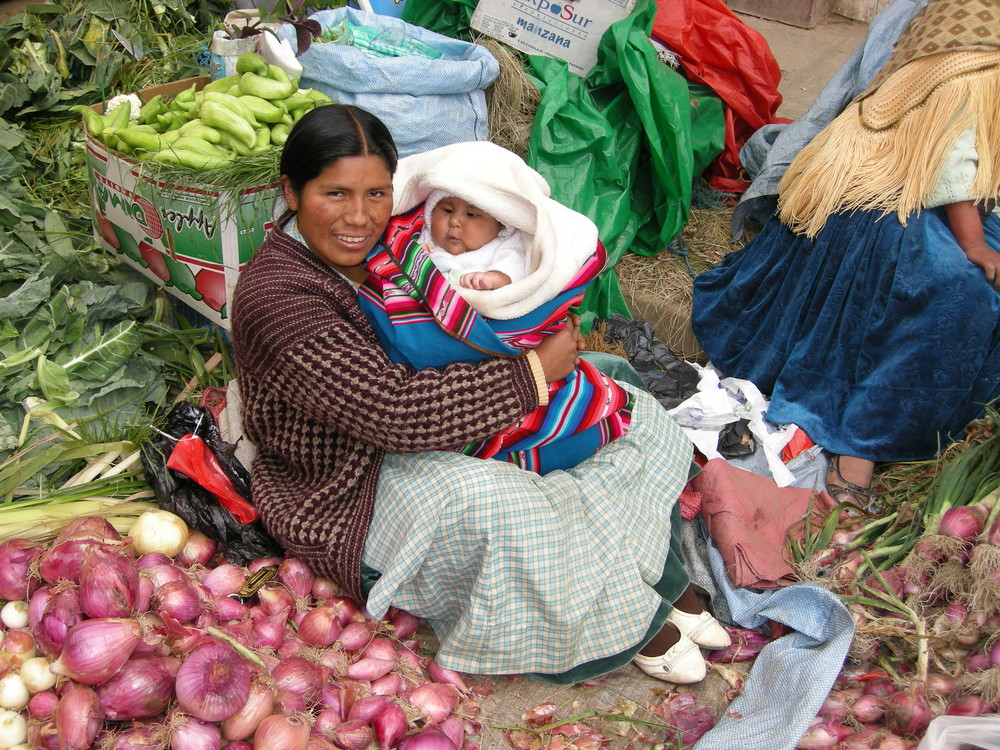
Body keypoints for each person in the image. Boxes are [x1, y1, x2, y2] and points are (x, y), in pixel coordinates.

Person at [230, 103, 730, 686]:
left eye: (376, 194)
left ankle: (648, 582)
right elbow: (395, 412)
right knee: (507, 501)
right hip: (345, 481)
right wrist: (532, 374)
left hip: (414, 423)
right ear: (291, 191)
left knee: (624, 399)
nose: (359, 217)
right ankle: (634, 619)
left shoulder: (395, 243)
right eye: (334, 194)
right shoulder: (280, 297)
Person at [691, 0, 1000, 505]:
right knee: (954, 290)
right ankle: (861, 442)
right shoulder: (977, 54)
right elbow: (953, 159)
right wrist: (974, 245)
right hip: (879, 186)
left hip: (907, 176)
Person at [358, 140, 633, 475]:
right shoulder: (421, 241)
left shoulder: (505, 249)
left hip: (488, 335)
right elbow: (398, 268)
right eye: (446, 210)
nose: (456, 223)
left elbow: (521, 286)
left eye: (472, 214)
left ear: (501, 221)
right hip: (431, 355)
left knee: (573, 399)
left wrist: (494, 281)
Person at [421, 190, 525, 291]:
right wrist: (416, 255)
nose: (454, 221)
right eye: (448, 211)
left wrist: (491, 279)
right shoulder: (427, 238)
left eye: (471, 214)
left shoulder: (504, 244)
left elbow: (512, 268)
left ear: (499, 223)